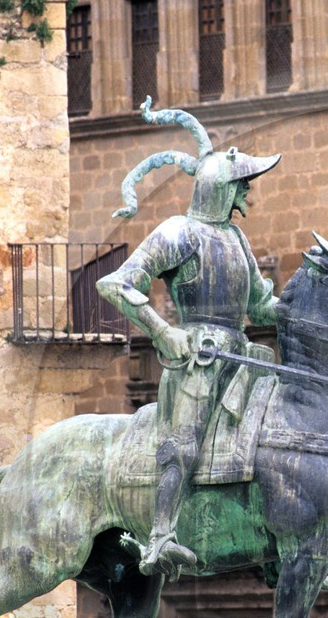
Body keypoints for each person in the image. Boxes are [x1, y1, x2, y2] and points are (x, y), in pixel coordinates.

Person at [97, 99, 280, 580]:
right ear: (224, 189)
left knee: (281, 432)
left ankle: (279, 539)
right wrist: (162, 330)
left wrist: (308, 311)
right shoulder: (179, 232)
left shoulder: (237, 241)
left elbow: (261, 307)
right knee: (186, 442)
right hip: (196, 356)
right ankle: (160, 536)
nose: (251, 197)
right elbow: (115, 283)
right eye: (245, 187)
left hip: (240, 356)